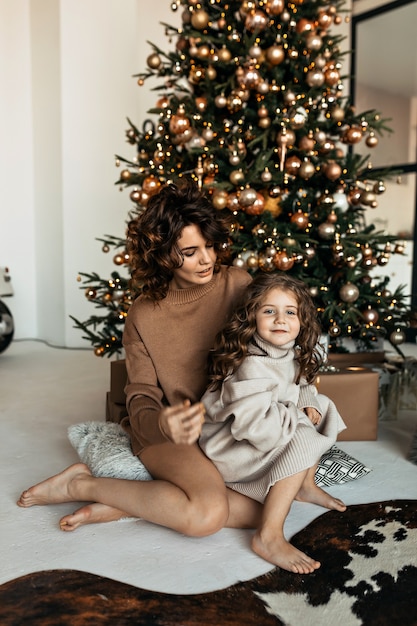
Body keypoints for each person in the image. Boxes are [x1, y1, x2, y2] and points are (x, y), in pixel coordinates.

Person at [17, 182, 263, 539]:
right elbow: (141, 398)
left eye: (209, 245)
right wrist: (165, 424)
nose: (207, 259)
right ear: (163, 254)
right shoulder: (145, 314)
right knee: (207, 516)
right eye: (190, 251)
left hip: (225, 426)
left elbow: (271, 351)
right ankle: (82, 486)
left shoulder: (238, 285)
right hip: (168, 435)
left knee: (268, 507)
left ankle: (129, 503)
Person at [199, 272, 347, 573]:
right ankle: (268, 536)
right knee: (303, 435)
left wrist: (305, 401)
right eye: (269, 311)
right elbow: (252, 427)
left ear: (302, 320)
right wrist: (296, 418)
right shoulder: (251, 364)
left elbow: (300, 380)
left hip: (268, 425)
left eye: (290, 312)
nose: (280, 319)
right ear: (252, 317)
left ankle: (304, 483)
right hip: (232, 444)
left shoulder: (286, 352)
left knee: (321, 407)